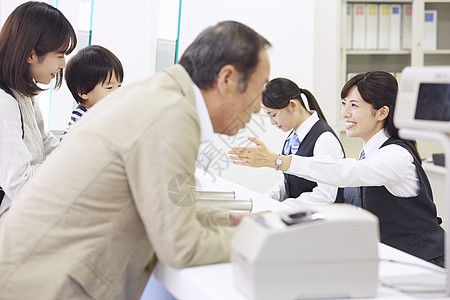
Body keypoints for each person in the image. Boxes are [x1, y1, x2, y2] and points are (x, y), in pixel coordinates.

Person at [0, 20, 271, 299]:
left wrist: (231, 220)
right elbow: (182, 246)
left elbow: (161, 207)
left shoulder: (159, 95)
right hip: (41, 284)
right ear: (226, 79)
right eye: (259, 87)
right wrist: (268, 238)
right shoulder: (172, 113)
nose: (260, 106)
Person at [230, 71, 445, 267]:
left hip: (424, 260)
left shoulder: (396, 156)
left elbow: (345, 172)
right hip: (397, 258)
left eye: (354, 106)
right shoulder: (369, 150)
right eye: (344, 104)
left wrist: (279, 161)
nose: (345, 113)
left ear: (381, 113)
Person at [0, 1, 77, 214]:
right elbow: (19, 182)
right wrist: (68, 166)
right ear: (31, 54)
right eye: (60, 55)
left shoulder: (21, 92)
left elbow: (43, 141)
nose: (63, 65)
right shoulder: (4, 103)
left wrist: (77, 154)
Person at [240, 77, 346, 208]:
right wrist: (266, 201)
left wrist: (283, 207)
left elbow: (326, 195)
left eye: (273, 115)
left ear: (292, 105)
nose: (272, 122)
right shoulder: (292, 138)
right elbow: (288, 183)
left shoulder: (324, 139)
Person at [61, 45, 124, 139]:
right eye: (109, 87)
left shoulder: (99, 115)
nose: (117, 92)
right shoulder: (83, 121)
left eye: (119, 86)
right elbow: (65, 148)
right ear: (84, 92)